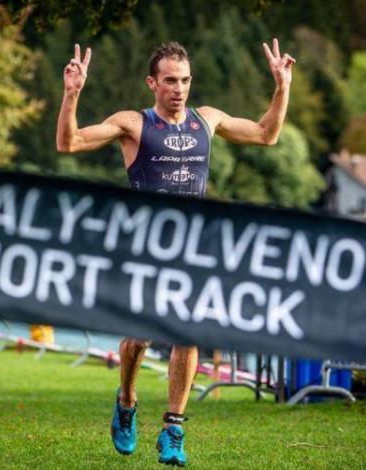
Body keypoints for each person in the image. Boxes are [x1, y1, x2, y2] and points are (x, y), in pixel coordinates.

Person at [56, 40, 295, 467]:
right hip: (144, 251)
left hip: (192, 252)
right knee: (140, 338)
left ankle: (173, 430)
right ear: (152, 83)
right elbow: (69, 143)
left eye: (184, 80)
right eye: (170, 80)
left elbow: (266, 134)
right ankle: (126, 401)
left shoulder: (208, 120)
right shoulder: (133, 124)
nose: (179, 88)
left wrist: (282, 86)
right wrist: (72, 93)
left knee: (188, 334)